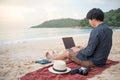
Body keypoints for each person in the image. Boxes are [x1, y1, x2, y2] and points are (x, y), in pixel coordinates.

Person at [46, 8, 113, 68]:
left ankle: (52, 57)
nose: (89, 22)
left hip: (94, 62)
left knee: (68, 51)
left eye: (89, 19)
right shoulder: (109, 30)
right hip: (102, 60)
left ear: (93, 19)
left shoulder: (95, 31)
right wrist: (82, 48)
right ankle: (57, 55)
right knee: (78, 48)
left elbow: (88, 53)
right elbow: (101, 46)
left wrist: (78, 51)